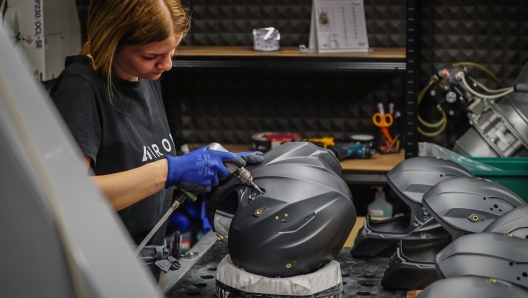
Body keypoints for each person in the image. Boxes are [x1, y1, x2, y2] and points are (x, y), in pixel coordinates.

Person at [49, 0, 263, 281]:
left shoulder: (144, 76)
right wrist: (170, 171)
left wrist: (206, 174)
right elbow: (70, 196)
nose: (167, 64)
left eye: (172, 51)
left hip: (144, 264)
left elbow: (137, 170)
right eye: (152, 56)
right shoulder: (80, 90)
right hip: (100, 272)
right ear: (111, 41)